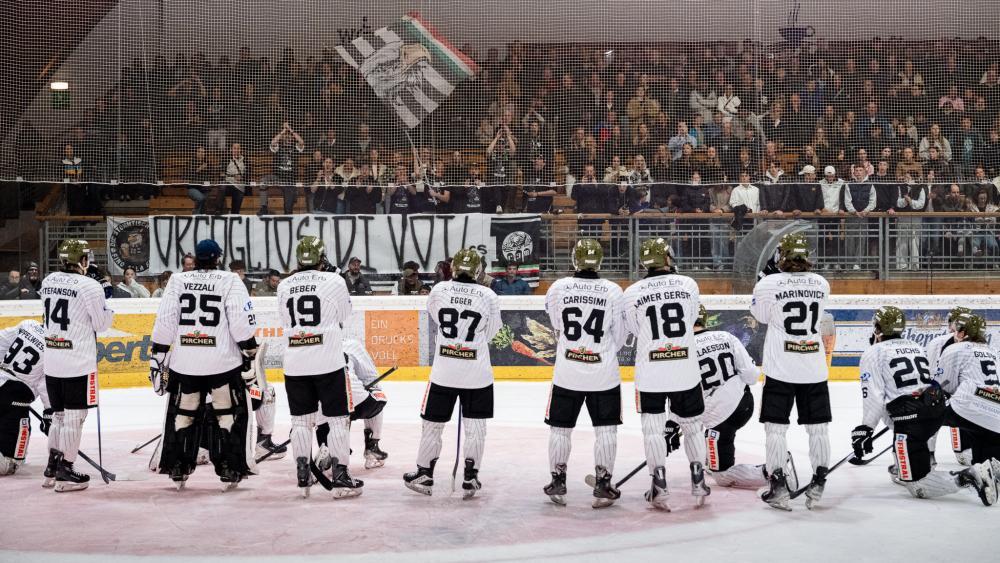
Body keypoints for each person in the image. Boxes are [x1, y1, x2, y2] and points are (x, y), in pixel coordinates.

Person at [854, 307, 997, 505]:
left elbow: (874, 396)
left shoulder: (873, 352)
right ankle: (908, 463)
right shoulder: (915, 346)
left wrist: (866, 428)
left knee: (918, 485)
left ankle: (970, 475)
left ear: (878, 328)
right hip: (937, 411)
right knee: (913, 441)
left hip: (912, 418)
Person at [148, 239, 259, 491]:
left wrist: (159, 354)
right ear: (218, 258)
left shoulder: (177, 280)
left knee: (183, 415)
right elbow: (241, 323)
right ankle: (229, 467)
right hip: (222, 363)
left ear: (196, 258)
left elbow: (165, 320)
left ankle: (178, 466)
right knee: (227, 415)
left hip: (185, 363)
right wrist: (249, 348)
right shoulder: (230, 280)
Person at [404, 249, 501, 499]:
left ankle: (424, 474)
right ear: (477, 270)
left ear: (454, 268)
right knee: (476, 428)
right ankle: (470, 476)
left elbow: (435, 317)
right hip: (477, 373)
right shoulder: (488, 295)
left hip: (444, 372)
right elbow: (491, 332)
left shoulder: (439, 290)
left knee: (432, 425)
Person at [620, 237, 708, 510]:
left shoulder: (632, 292)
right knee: (693, 426)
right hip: (685, 368)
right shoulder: (688, 284)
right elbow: (691, 319)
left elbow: (635, 329)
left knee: (653, 430)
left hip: (651, 371)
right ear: (667, 258)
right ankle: (698, 478)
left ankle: (659, 484)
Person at [542, 239, 627, 508]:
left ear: (574, 260)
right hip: (604, 373)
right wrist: (599, 350)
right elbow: (620, 335)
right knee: (606, 430)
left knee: (560, 429)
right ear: (600, 261)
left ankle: (557, 480)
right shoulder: (613, 291)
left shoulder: (559, 287)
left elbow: (556, 323)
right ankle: (603, 484)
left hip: (567, 372)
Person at [751, 233, 832, 510]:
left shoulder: (768, 283)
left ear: (780, 256)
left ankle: (778, 486)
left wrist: (766, 277)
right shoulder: (821, 283)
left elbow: (761, 316)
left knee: (775, 429)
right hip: (814, 368)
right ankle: (819, 481)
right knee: (818, 428)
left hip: (781, 368)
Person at [277, 236, 360, 498]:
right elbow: (345, 316)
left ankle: (304, 474)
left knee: (301, 421)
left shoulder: (284, 284)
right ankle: (341, 477)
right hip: (328, 362)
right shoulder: (334, 280)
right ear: (322, 258)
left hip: (295, 363)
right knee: (337, 420)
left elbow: (284, 319)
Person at [40, 239, 115, 491]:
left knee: (58, 416)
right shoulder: (89, 285)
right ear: (83, 260)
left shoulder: (48, 280)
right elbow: (102, 324)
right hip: (77, 363)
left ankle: (52, 467)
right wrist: (104, 297)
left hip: (52, 360)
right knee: (75, 417)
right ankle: (66, 471)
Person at [692, 305, 785, 489]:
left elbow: (684, 393)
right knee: (712, 451)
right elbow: (751, 375)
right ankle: (713, 459)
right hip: (744, 404)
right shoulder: (726, 336)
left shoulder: (684, 349)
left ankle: (774, 471)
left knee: (722, 476)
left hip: (719, 418)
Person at [935, 312, 1000, 496]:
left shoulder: (954, 349)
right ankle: (984, 471)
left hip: (966, 408)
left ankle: (922, 461)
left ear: (963, 333)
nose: (953, 333)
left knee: (924, 418)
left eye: (956, 330)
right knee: (985, 454)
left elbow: (943, 385)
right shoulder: (993, 352)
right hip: (997, 415)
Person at [317, 338, 390, 471]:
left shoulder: (308, 349)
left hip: (321, 409)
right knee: (377, 394)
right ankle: (372, 448)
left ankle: (326, 450)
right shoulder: (351, 345)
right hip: (352, 400)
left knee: (323, 416)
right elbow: (371, 378)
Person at [926, 306, 976, 466]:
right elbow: (933, 372)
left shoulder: (971, 343)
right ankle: (934, 452)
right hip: (951, 388)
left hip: (955, 390)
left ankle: (931, 453)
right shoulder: (939, 343)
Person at [0, 319, 48, 475]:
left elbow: (1, 341)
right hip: (16, 398)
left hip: (2, 380)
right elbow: (46, 385)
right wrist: (49, 413)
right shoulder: (55, 347)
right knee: (8, 465)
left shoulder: (28, 325)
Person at [261, 122, 305, 215]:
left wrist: (290, 130)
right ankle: (263, 207)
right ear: (282, 138)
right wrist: (283, 131)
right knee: (263, 180)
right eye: (285, 136)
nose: (287, 137)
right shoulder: (278, 148)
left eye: (289, 136)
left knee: (288, 209)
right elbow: (273, 142)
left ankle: (288, 214)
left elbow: (301, 142)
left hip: (289, 181)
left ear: (292, 138)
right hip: (278, 178)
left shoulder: (295, 148)